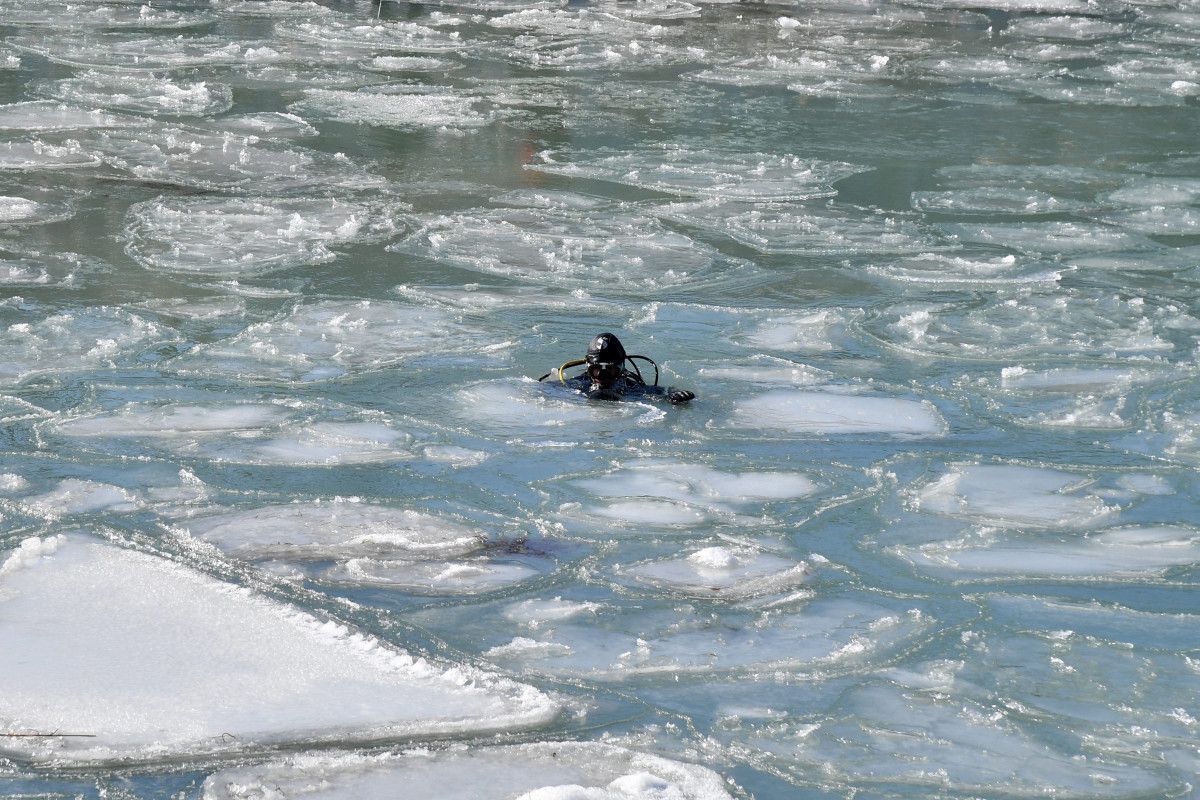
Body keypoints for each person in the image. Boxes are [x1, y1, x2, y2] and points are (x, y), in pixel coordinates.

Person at [539, 332, 695, 404]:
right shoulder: (579, 385)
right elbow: (544, 389)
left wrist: (674, 394)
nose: (602, 375)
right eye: (596, 369)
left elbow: (664, 391)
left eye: (610, 369)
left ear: (621, 368)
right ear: (588, 368)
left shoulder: (632, 387)